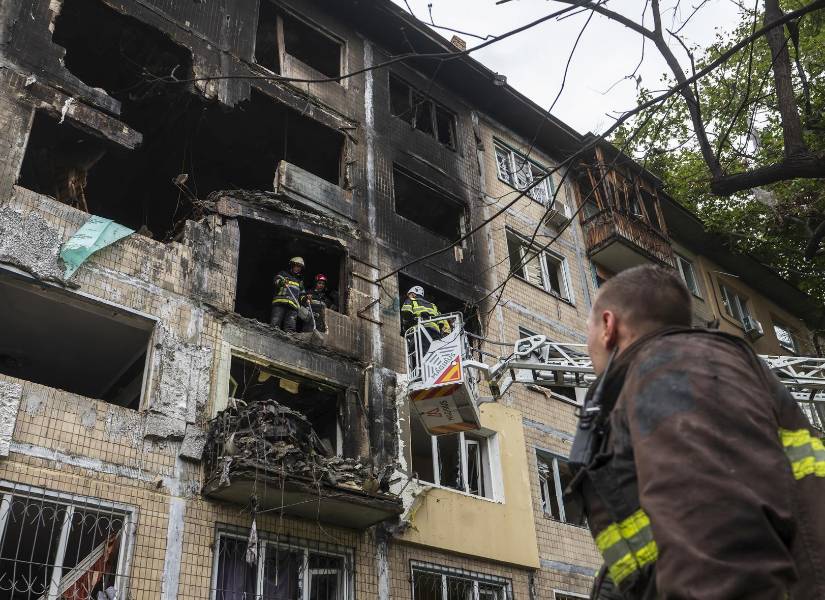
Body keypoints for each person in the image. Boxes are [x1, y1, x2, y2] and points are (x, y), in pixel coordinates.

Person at [568, 264, 825, 599]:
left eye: (587, 329)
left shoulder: (675, 368)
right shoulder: (682, 373)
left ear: (608, 325)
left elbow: (721, 550)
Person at [401, 286, 452, 359]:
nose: (409, 297)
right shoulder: (433, 306)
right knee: (434, 355)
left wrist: (406, 326)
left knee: (420, 354)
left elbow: (406, 313)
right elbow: (441, 323)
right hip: (435, 333)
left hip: (419, 332)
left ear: (413, 294)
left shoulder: (411, 301)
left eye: (409, 295)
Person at [270, 257, 305, 333]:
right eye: (297, 266)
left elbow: (302, 294)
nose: (298, 268)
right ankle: (272, 334)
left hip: (293, 306)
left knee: (290, 326)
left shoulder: (300, 281)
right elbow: (276, 281)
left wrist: (305, 298)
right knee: (275, 321)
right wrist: (281, 282)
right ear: (292, 265)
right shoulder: (283, 274)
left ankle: (289, 336)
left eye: (300, 267)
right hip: (280, 302)